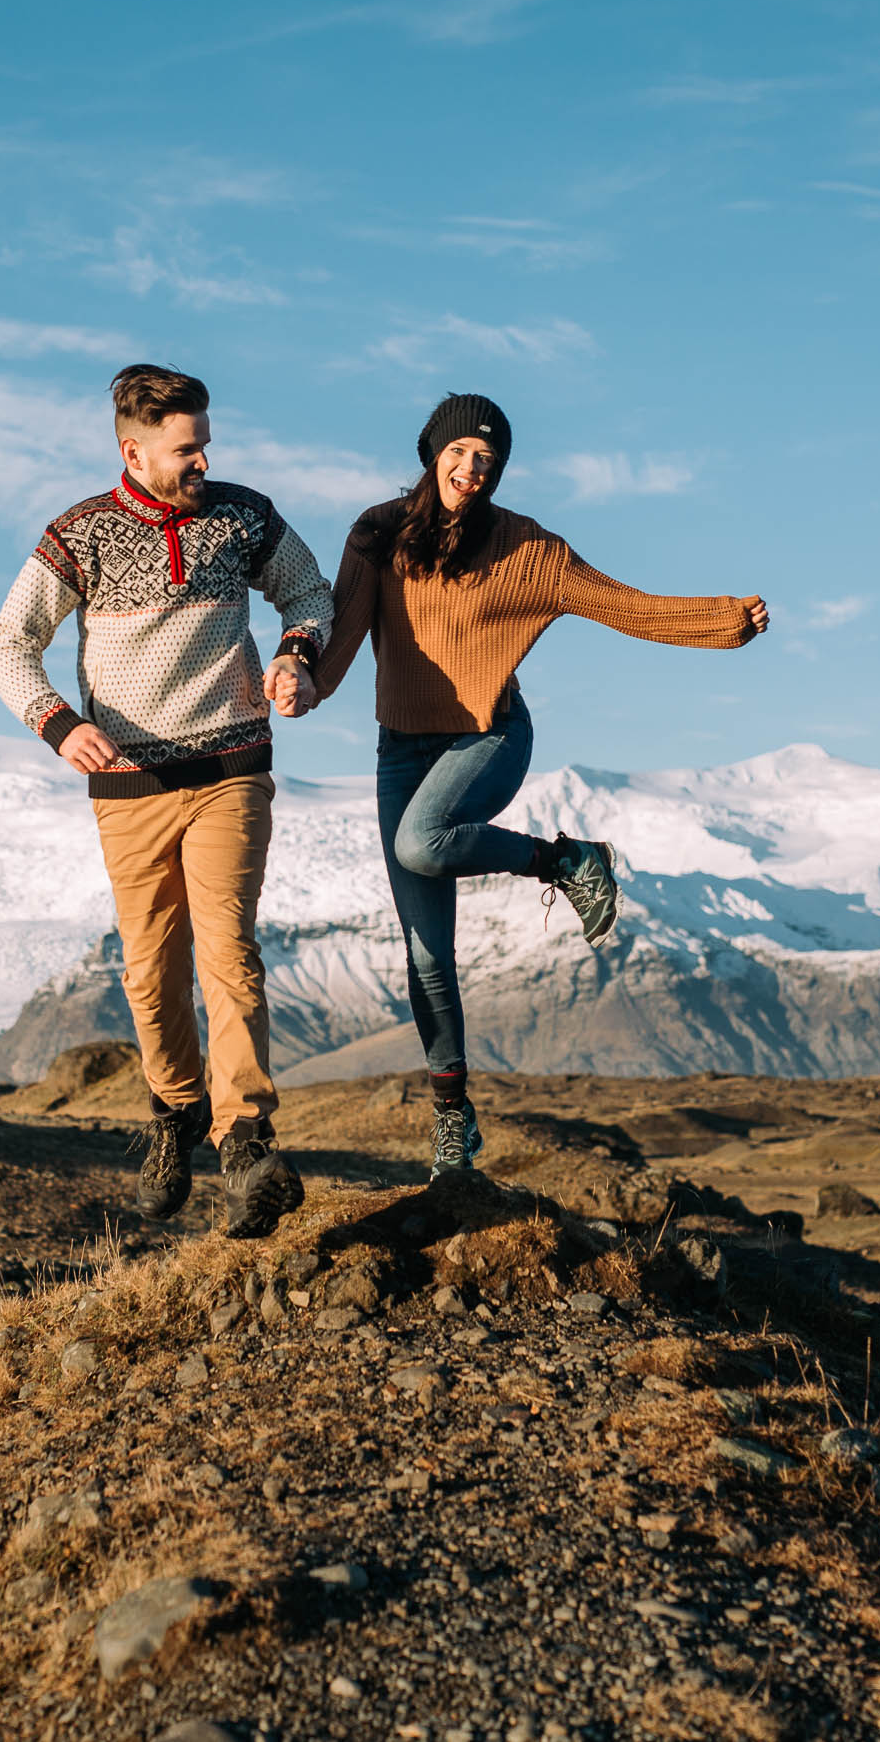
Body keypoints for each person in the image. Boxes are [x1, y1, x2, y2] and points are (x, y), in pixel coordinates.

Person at [306, 394, 768, 1179]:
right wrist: (300, 685)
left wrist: (722, 620)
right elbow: (345, 628)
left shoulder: (526, 549)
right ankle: (455, 1124)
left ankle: (566, 862)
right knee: (426, 957)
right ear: (433, 451)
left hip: (490, 737)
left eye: (488, 460)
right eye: (461, 452)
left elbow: (625, 606)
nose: (472, 468)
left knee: (419, 842)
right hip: (399, 751)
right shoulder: (377, 532)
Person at [0, 364, 331, 1239]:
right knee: (151, 968)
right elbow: (7, 643)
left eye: (207, 444)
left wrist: (296, 654)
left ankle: (246, 1141)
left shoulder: (243, 514)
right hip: (128, 784)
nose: (203, 463)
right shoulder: (81, 535)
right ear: (133, 450)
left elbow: (310, 590)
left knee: (228, 950)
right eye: (186, 450)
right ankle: (175, 1114)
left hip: (231, 767)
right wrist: (59, 725)